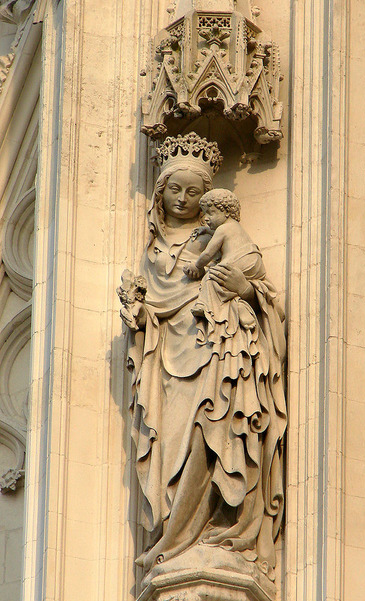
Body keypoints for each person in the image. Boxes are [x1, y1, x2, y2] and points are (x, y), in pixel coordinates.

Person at [121, 132, 286, 578]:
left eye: (194, 192)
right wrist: (138, 311)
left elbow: (259, 288)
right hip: (168, 361)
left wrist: (247, 291)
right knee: (169, 443)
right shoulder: (152, 249)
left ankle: (203, 534)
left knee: (211, 426)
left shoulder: (218, 235)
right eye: (174, 189)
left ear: (208, 199)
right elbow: (153, 302)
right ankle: (171, 539)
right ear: (160, 192)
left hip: (214, 348)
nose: (182, 199)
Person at [182, 188, 258, 338]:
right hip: (253, 259)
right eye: (204, 214)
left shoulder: (222, 229)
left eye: (211, 213)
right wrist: (206, 230)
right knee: (223, 280)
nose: (206, 218)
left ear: (227, 212)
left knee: (211, 277)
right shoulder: (234, 227)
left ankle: (204, 305)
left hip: (239, 260)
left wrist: (197, 266)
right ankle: (239, 305)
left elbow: (208, 253)